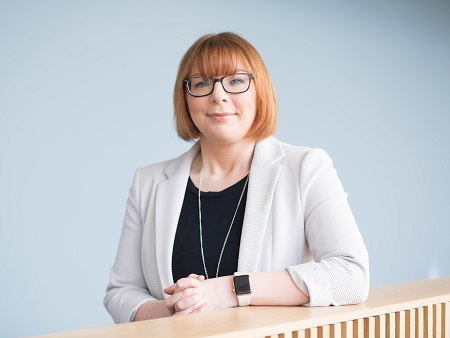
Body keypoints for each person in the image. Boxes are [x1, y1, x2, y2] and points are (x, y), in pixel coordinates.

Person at [104, 32, 369, 323]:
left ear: (260, 91)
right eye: (202, 83)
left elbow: (350, 274)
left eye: (236, 81)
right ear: (185, 98)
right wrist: (173, 308)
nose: (218, 95)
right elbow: (121, 291)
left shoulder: (306, 168)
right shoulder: (149, 182)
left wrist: (232, 290)